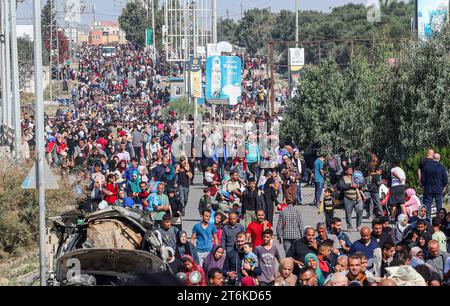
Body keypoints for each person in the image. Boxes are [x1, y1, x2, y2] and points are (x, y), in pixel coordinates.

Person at [421, 153, 448, 220]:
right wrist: (444, 186)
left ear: (432, 158)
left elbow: (423, 179)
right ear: (439, 158)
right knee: (439, 206)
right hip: (438, 189)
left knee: (428, 206)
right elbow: (445, 179)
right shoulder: (442, 167)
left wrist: (423, 185)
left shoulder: (426, 167)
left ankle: (428, 220)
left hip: (428, 189)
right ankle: (439, 220)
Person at [338, 166, 363, 231]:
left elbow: (363, 184)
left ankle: (358, 226)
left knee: (360, 211)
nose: (351, 170)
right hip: (347, 198)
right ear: (346, 171)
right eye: (349, 169)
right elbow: (341, 186)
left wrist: (358, 185)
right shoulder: (343, 178)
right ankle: (349, 227)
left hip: (358, 198)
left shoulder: (357, 176)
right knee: (348, 213)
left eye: (351, 169)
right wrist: (350, 185)